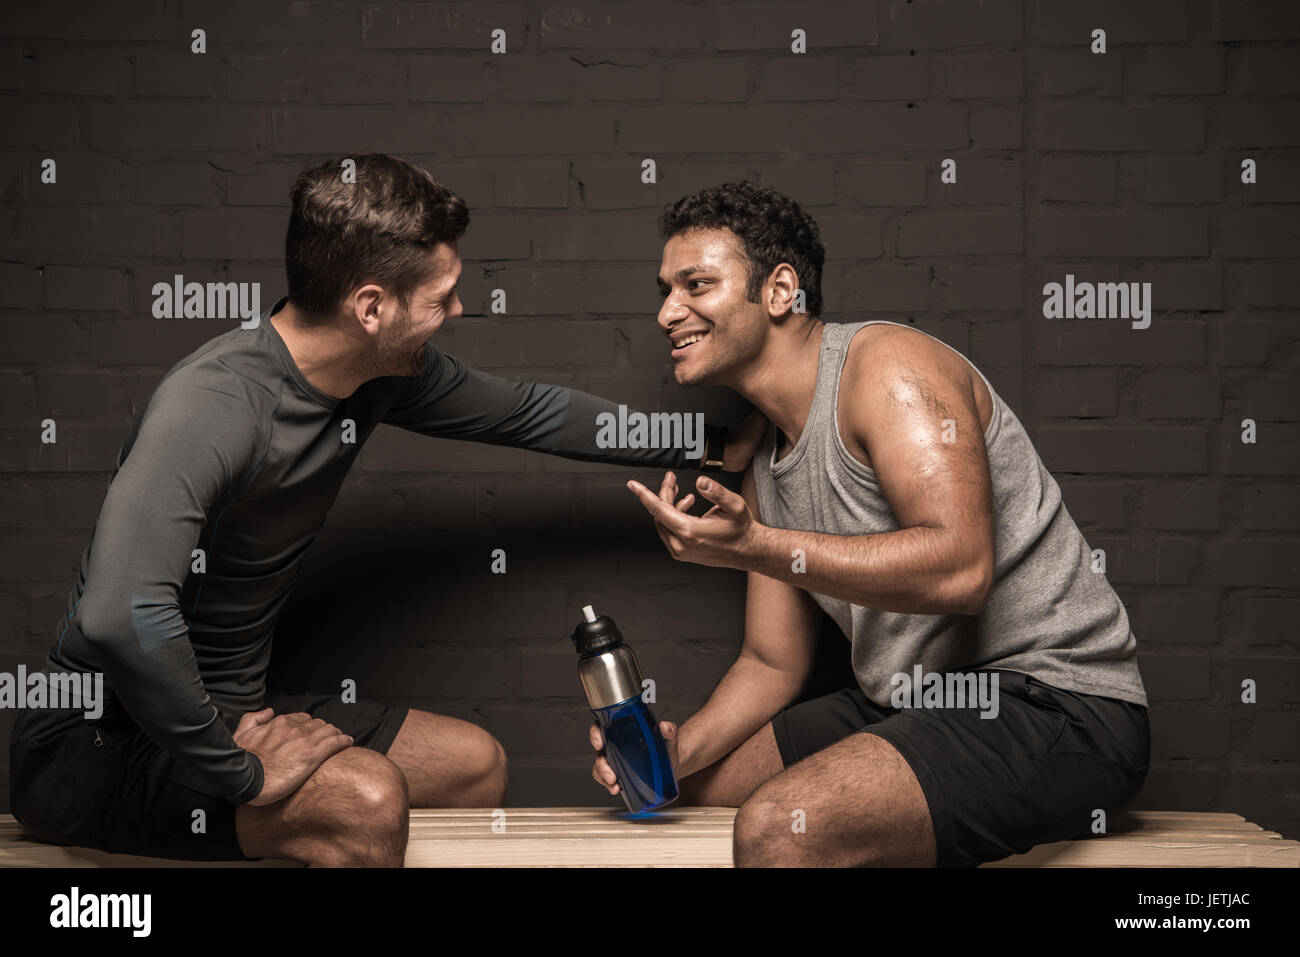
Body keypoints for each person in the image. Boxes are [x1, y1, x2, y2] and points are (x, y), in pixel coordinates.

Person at [8, 153, 759, 867]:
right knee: (364, 801)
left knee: (474, 767)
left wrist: (713, 443)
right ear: (371, 306)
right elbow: (119, 614)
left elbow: (530, 412)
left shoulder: (380, 373)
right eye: (441, 296)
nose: (459, 308)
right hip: (97, 744)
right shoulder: (214, 405)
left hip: (238, 714)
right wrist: (238, 770)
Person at [589, 181, 1150, 868]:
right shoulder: (766, 457)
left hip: (1053, 702)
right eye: (664, 290)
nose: (667, 311)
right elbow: (772, 662)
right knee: (689, 788)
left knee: (778, 828)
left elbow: (961, 569)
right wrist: (673, 752)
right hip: (907, 700)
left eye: (696, 285)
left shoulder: (888, 370)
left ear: (779, 289)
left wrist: (757, 547)